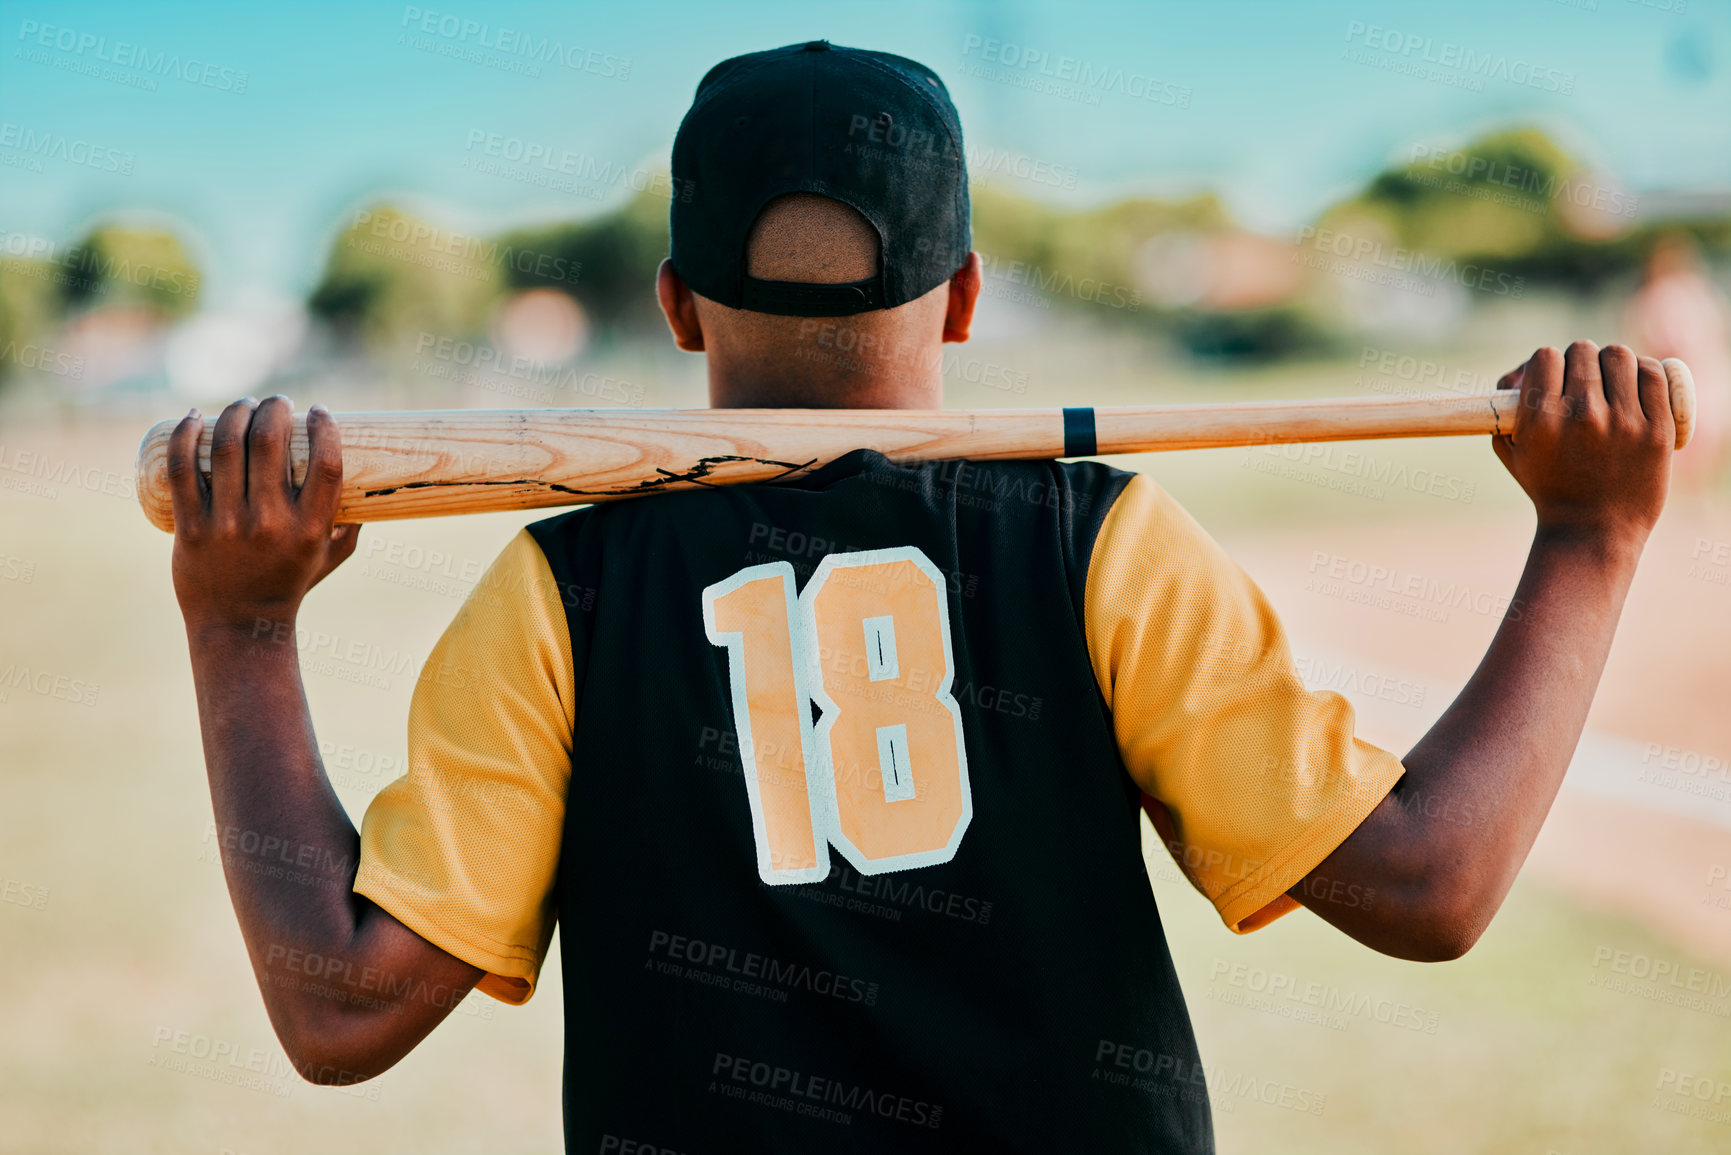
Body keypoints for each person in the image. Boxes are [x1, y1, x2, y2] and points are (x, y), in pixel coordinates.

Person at [166, 42, 1679, 1154]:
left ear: (676, 302)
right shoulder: (1100, 546)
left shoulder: (565, 589)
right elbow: (1426, 888)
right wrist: (1591, 538)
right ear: (962, 296)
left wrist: (240, 629)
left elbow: (344, 1010)